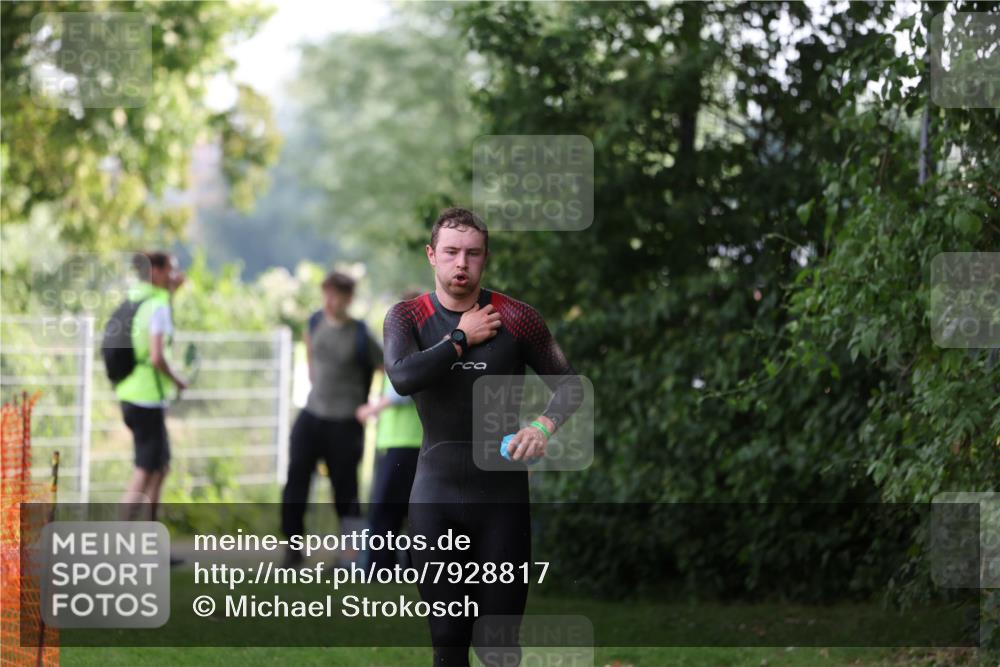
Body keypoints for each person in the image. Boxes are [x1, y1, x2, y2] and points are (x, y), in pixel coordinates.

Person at [383, 207, 582, 667]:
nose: (461, 264)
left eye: (472, 254)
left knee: (498, 646)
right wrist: (460, 338)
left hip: (502, 502)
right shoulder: (407, 317)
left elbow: (570, 384)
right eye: (451, 252)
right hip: (435, 497)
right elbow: (402, 376)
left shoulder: (517, 318)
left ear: (485, 258)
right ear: (432, 255)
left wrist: (542, 425)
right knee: (448, 641)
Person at [281, 271, 384, 568]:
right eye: (325, 293)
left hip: (346, 422)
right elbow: (312, 361)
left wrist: (373, 404)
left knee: (345, 491)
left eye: (335, 295)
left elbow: (387, 369)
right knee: (295, 482)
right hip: (312, 414)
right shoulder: (314, 323)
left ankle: (349, 558)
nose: (329, 301)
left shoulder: (361, 335)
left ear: (348, 299)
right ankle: (292, 548)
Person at [357, 290, 424, 571]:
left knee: (389, 511)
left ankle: (380, 569)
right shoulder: (405, 345)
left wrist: (374, 407)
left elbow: (405, 388)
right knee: (400, 512)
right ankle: (396, 568)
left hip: (407, 444)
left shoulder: (417, 347)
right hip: (396, 442)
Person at [118, 251, 187, 523]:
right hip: (147, 398)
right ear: (155, 272)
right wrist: (177, 379)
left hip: (131, 393)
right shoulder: (157, 306)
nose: (174, 275)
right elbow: (157, 356)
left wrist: (170, 291)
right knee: (145, 470)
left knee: (160, 467)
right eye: (170, 270)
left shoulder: (138, 297)